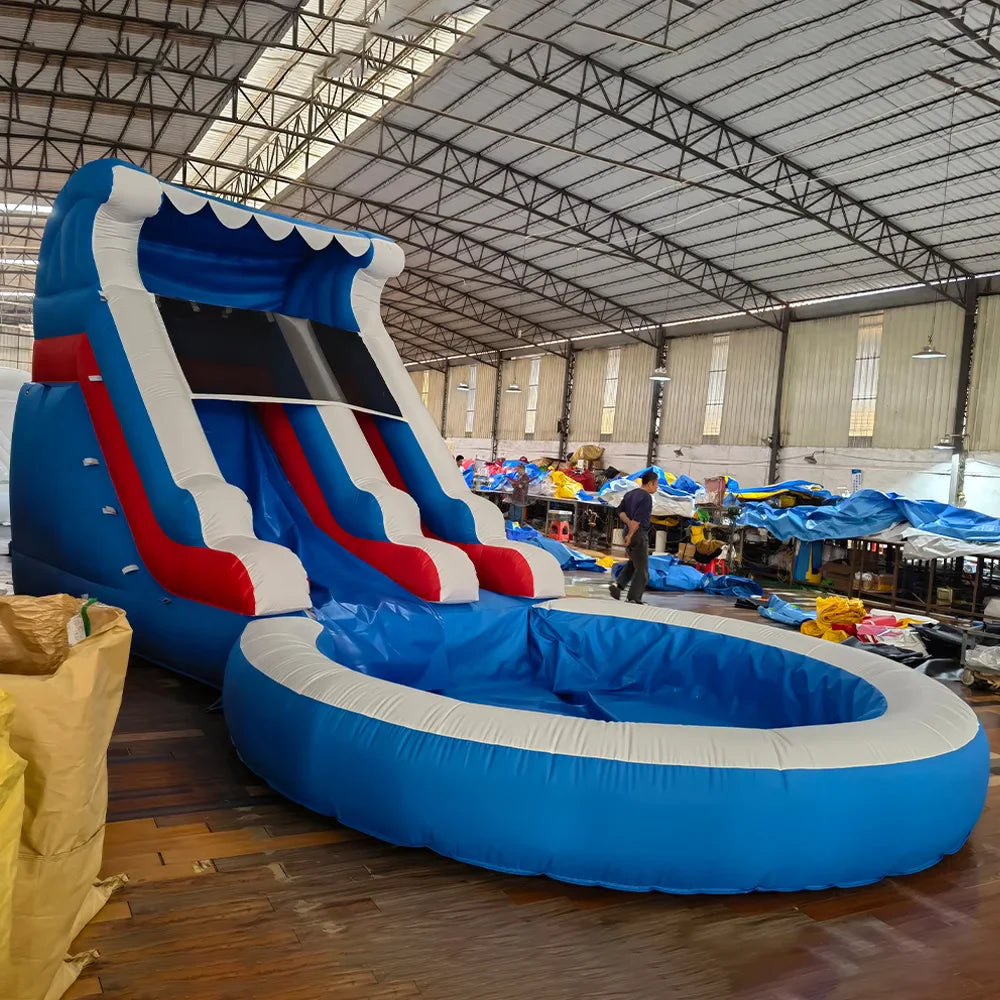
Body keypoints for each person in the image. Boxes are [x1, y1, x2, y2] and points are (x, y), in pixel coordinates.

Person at [609, 470, 658, 604]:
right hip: (637, 534)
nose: (656, 488)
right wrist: (630, 534)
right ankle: (634, 598)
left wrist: (628, 523)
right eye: (656, 485)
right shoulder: (646, 498)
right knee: (642, 571)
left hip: (627, 530)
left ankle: (618, 586)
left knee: (633, 563)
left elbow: (620, 511)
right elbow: (637, 520)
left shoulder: (630, 494)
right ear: (650, 484)